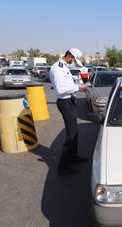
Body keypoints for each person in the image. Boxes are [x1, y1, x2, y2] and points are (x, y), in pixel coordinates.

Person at [50, 48, 90, 176]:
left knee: (75, 132)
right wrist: (79, 87)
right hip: (64, 103)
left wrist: (78, 87)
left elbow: (68, 84)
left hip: (70, 101)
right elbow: (61, 90)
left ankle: (73, 157)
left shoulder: (64, 67)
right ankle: (63, 167)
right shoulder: (58, 68)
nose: (74, 62)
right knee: (71, 134)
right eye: (73, 60)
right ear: (69, 57)